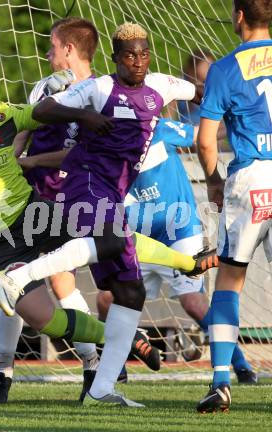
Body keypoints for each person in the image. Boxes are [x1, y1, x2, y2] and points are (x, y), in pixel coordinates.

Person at [0, 61, 212, 408]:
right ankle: (122, 339)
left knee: (108, 230)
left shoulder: (6, 115)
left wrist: (71, 103)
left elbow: (42, 113)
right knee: (42, 318)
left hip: (35, 214)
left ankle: (188, 263)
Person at [0, 22, 218, 406]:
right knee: (111, 239)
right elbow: (44, 108)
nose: (138, 60)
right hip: (85, 180)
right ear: (115, 59)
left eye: (143, 53)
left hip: (114, 191)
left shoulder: (161, 85)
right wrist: (84, 117)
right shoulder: (97, 88)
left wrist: (229, 94)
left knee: (129, 293)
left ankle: (100, 389)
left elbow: (203, 92)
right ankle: (21, 275)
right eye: (129, 55)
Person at [95, 118, 256, 384]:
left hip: (180, 230)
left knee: (193, 302)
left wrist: (234, 119)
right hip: (140, 239)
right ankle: (116, 365)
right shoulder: (103, 145)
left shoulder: (159, 129)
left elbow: (201, 135)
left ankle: (241, 365)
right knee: (105, 301)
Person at [196, 0, 272, 414]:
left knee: (229, 280)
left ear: (239, 15)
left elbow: (206, 141)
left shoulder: (225, 68)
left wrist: (213, 182)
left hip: (252, 179)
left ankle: (222, 383)